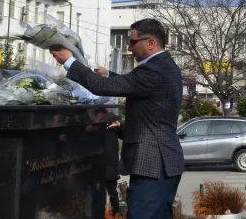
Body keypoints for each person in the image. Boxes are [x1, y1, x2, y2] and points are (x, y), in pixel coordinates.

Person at [50, 19, 183, 219]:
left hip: (153, 165)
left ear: (150, 43)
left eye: (132, 41)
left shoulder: (153, 70)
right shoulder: (165, 66)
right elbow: (135, 87)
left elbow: (101, 88)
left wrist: (70, 61)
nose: (129, 47)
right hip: (162, 163)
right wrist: (110, 75)